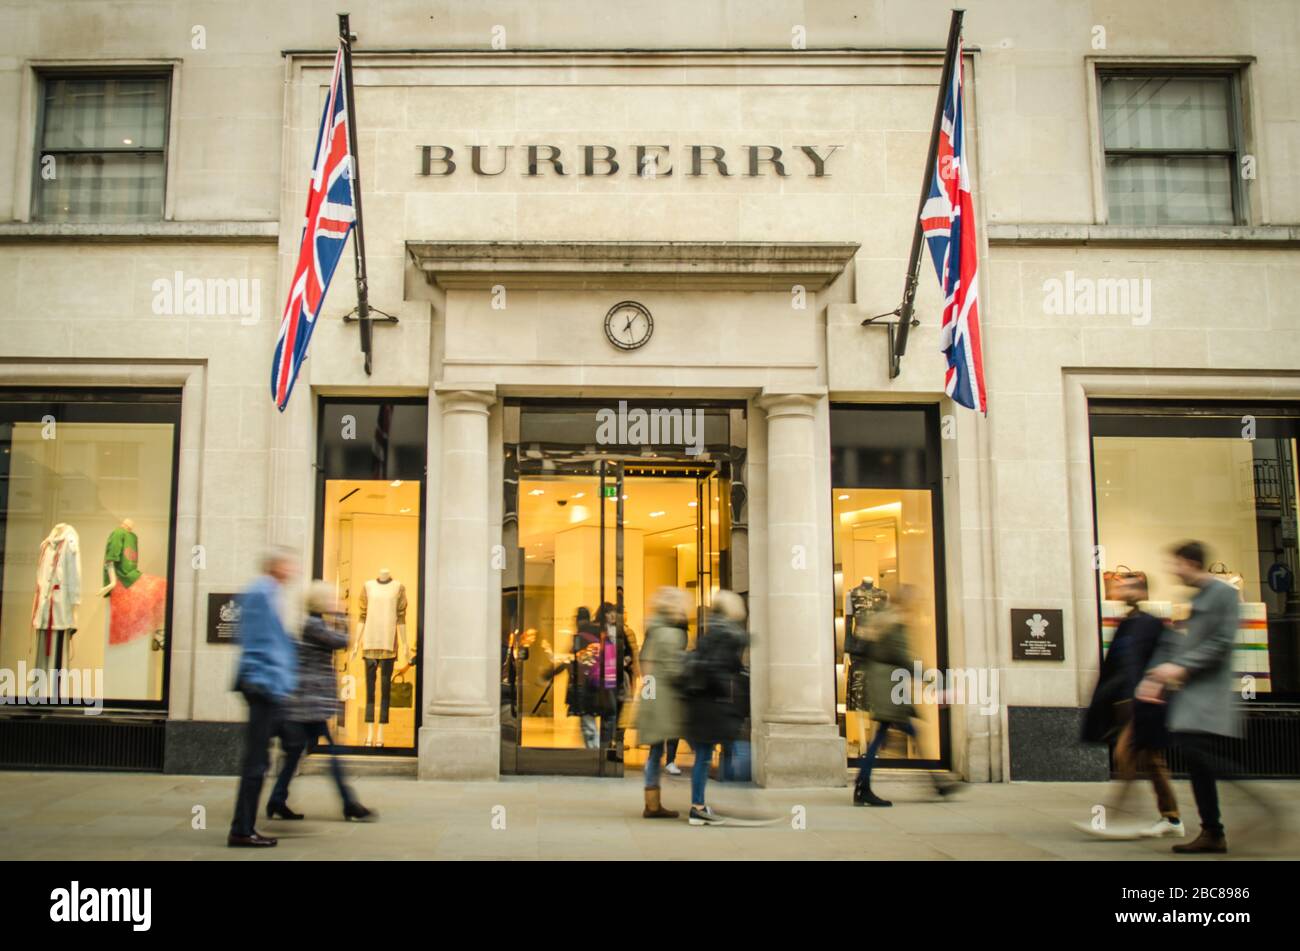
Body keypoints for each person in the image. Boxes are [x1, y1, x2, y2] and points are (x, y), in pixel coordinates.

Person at [1137, 540, 1244, 854]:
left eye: (1176, 564)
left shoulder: (1223, 594)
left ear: (1190, 562)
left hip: (1208, 694)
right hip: (1192, 694)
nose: (1173, 570)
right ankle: (1212, 830)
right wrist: (1157, 675)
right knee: (1197, 759)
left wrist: (1178, 668)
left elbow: (1222, 642)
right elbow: (1189, 644)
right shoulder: (1199, 597)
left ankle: (1218, 825)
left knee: (1201, 757)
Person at [1079, 575, 1181, 838]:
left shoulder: (1150, 625)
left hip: (1144, 704)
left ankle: (1109, 819)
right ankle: (1170, 818)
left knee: (1126, 758)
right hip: (1127, 704)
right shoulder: (1127, 625)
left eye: (1131, 586)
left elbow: (1163, 658)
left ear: (1142, 592)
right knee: (1151, 761)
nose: (1124, 590)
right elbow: (1116, 668)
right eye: (1123, 586)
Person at [266, 581, 375, 823]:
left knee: (295, 753)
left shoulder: (312, 623)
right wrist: (342, 615)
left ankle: (277, 799)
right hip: (307, 704)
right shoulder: (314, 625)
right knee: (331, 751)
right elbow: (342, 641)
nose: (336, 602)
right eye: (332, 599)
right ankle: (349, 803)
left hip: (306, 703)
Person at [850, 585, 958, 806]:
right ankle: (864, 787)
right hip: (889, 687)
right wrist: (931, 678)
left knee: (890, 735)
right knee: (887, 737)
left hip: (884, 683)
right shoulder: (895, 623)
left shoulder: (882, 619)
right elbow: (903, 658)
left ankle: (937, 782)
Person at [228, 546, 299, 848]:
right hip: (263, 686)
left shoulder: (271, 592)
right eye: (288, 564)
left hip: (272, 686)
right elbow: (257, 641)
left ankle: (271, 803)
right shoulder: (261, 592)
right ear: (275, 566)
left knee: (294, 741)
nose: (293, 569)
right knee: (256, 762)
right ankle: (242, 830)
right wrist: (267, 678)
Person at [682, 590, 749, 826]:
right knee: (703, 757)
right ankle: (697, 807)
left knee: (702, 756)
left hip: (701, 703)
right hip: (710, 704)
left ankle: (698, 805)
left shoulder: (711, 632)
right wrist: (727, 689)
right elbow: (717, 669)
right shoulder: (726, 635)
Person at [635, 586, 691, 819]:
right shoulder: (672, 632)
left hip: (656, 698)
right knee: (693, 744)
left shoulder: (655, 628)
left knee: (655, 751)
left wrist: (647, 700)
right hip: (668, 698)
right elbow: (674, 668)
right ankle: (696, 802)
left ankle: (652, 803)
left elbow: (645, 663)